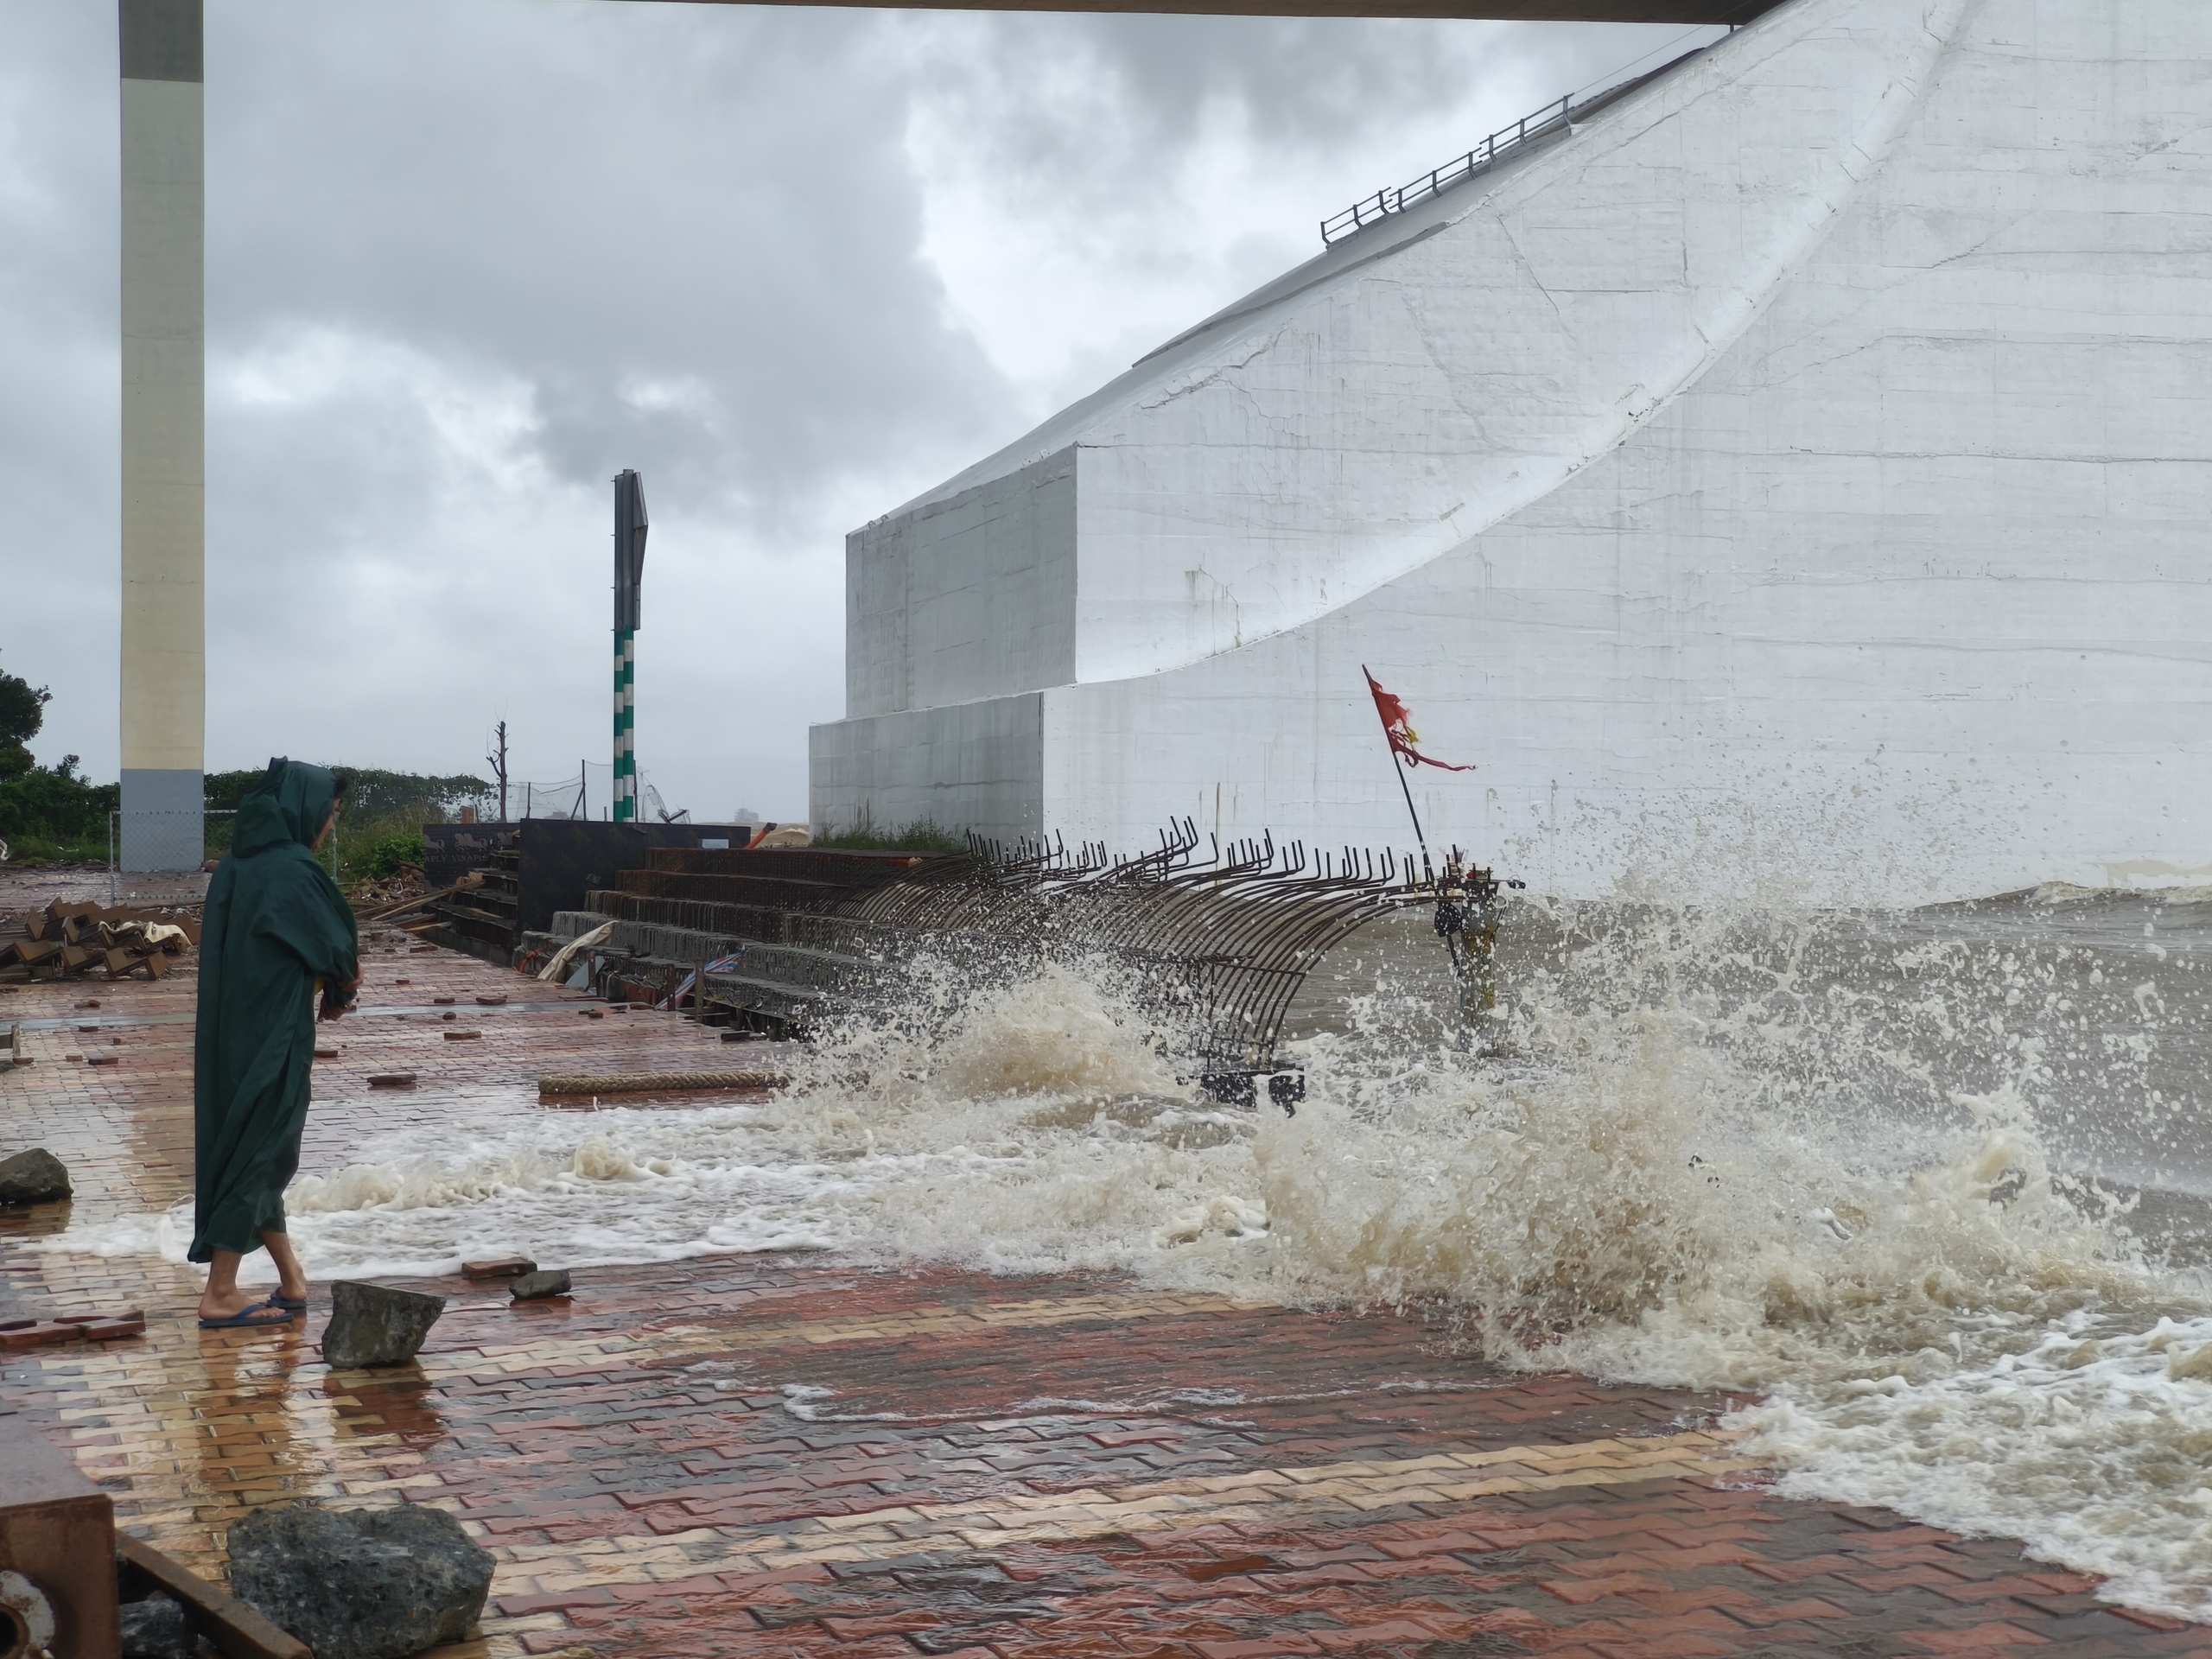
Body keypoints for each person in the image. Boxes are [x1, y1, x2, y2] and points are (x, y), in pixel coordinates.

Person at [190, 760, 361, 1328]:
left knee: (253, 1147)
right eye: (330, 813)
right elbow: (338, 951)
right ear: (305, 809)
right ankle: (220, 1293)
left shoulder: (236, 866)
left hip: (231, 1032)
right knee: (264, 1151)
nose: (330, 825)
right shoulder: (292, 869)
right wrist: (339, 989)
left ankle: (292, 1280)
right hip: (275, 1032)